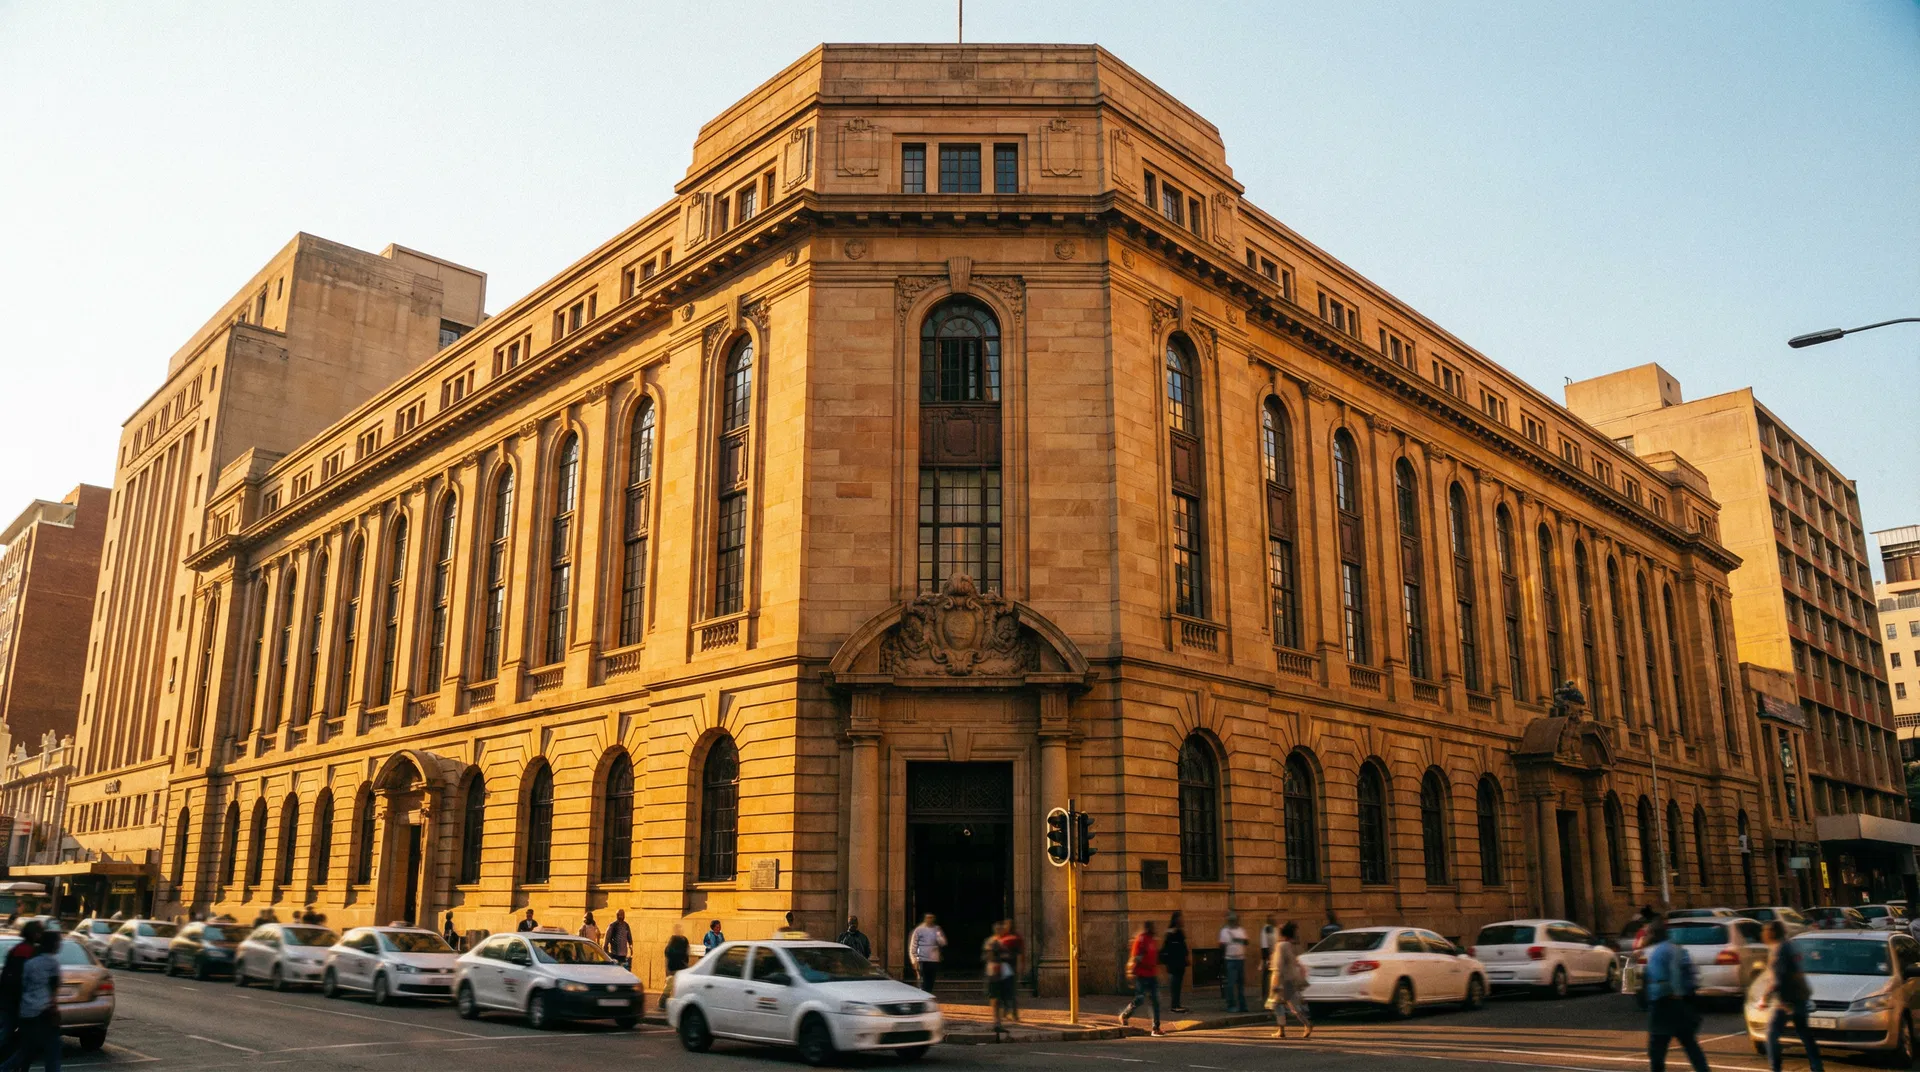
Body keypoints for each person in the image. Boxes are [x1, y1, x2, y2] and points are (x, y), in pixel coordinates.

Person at [1642, 919, 1712, 1072]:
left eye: (1647, 933)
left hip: (1663, 1004)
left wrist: (1668, 993)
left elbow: (1660, 979)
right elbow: (1692, 975)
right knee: (1690, 1044)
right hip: (1680, 1005)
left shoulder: (1657, 953)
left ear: (1653, 935)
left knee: (1657, 1050)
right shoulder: (1678, 949)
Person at [1758, 921, 1822, 1072]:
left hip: (1785, 1000)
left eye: (1765, 931)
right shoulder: (1789, 946)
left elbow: (1777, 980)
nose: (1762, 934)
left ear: (1771, 933)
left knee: (1771, 1035)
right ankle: (1816, 1066)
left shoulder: (1778, 950)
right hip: (1800, 995)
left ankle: (1775, 1067)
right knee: (1805, 1033)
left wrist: (1765, 998)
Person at [2, 930, 61, 1072]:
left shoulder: (30, 962)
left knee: (27, 1049)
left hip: (26, 1011)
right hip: (43, 1012)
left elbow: (24, 985)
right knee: (53, 1050)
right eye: (58, 942)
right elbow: (52, 990)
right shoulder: (52, 963)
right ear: (53, 944)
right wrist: (54, 1011)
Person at [0, 921, 45, 1062]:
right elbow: (23, 978)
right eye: (39, 932)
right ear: (35, 934)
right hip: (18, 1000)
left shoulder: (17, 949)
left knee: (7, 1031)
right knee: (8, 1032)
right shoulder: (27, 951)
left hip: (10, 999)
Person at [1117, 920, 1165, 1036]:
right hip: (1142, 975)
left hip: (1152, 975)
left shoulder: (1153, 940)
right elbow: (1136, 957)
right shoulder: (1141, 939)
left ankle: (1156, 1027)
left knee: (1155, 1001)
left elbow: (1154, 957)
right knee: (1140, 999)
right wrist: (1133, 971)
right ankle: (1125, 1015)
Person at [1266, 921, 1311, 1039]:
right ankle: (1306, 1024)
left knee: (1277, 1005)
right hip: (1290, 979)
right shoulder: (1290, 945)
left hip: (1281, 979)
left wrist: (1276, 983)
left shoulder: (1281, 946)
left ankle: (1282, 1030)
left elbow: (1279, 965)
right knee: (1293, 1005)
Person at [982, 921, 1016, 1034]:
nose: (1000, 931)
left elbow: (1008, 955)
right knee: (995, 998)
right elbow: (989, 956)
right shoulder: (992, 941)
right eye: (998, 929)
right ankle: (997, 1022)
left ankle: (998, 1022)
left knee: (1000, 998)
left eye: (1001, 929)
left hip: (1000, 972)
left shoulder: (1001, 942)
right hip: (994, 972)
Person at [1218, 912, 1249, 1013]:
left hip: (1240, 959)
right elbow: (1221, 945)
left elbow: (1247, 942)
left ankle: (1242, 1006)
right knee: (1231, 984)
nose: (1234, 921)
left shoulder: (1241, 930)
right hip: (1230, 959)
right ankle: (1231, 1005)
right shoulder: (1225, 931)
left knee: (1240, 984)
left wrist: (1238, 939)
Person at [1161, 911, 1190, 1013]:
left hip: (1179, 962)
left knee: (1178, 984)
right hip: (1174, 963)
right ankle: (1174, 1005)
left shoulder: (1179, 932)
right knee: (1175, 984)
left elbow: (1183, 946)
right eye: (1180, 918)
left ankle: (1177, 1004)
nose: (1182, 920)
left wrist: (1186, 956)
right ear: (1176, 919)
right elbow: (1168, 948)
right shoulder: (1171, 932)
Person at [909, 914, 946, 993]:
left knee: (931, 979)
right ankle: (922, 994)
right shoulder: (919, 929)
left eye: (931, 918)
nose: (930, 919)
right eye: (928, 918)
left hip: (933, 959)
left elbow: (943, 943)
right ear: (925, 919)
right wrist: (913, 959)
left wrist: (938, 936)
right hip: (923, 958)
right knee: (923, 979)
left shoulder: (937, 929)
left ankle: (929, 993)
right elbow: (913, 945)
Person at [998, 919, 1025, 1021]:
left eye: (1008, 925)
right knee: (1003, 991)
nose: (1006, 926)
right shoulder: (1002, 937)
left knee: (1011, 992)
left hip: (1011, 968)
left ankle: (1014, 1014)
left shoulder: (1016, 938)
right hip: (1001, 968)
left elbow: (1020, 953)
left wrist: (1020, 966)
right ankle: (1005, 1012)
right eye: (1005, 924)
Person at [1258, 915, 1278, 998]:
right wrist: (1266, 958)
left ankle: (1272, 994)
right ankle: (1265, 994)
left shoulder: (1274, 929)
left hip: (1276, 955)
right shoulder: (1266, 929)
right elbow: (1264, 944)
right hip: (1269, 955)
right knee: (1267, 975)